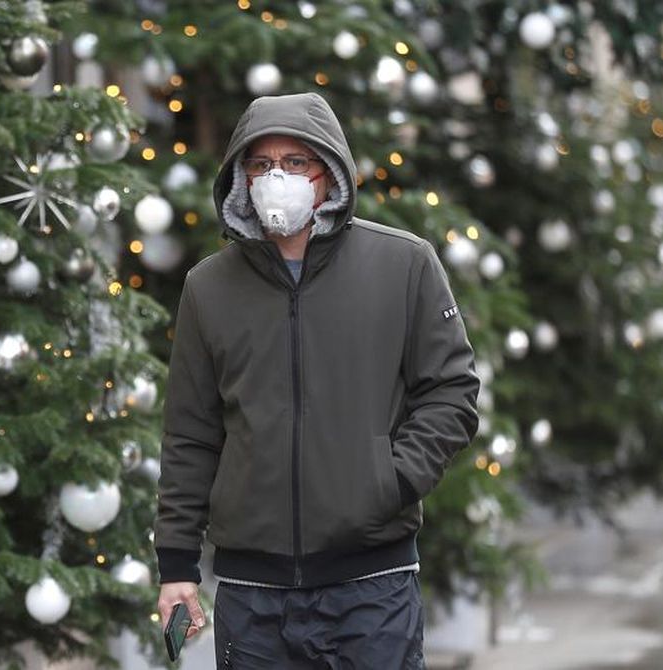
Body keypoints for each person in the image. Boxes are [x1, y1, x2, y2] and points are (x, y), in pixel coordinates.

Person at [153, 91, 481, 668]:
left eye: (295, 162)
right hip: (253, 598)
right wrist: (177, 566)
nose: (277, 177)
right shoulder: (209, 288)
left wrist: (392, 481)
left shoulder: (403, 264)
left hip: (371, 585)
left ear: (328, 174)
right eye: (261, 164)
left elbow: (451, 392)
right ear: (241, 178)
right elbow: (191, 433)